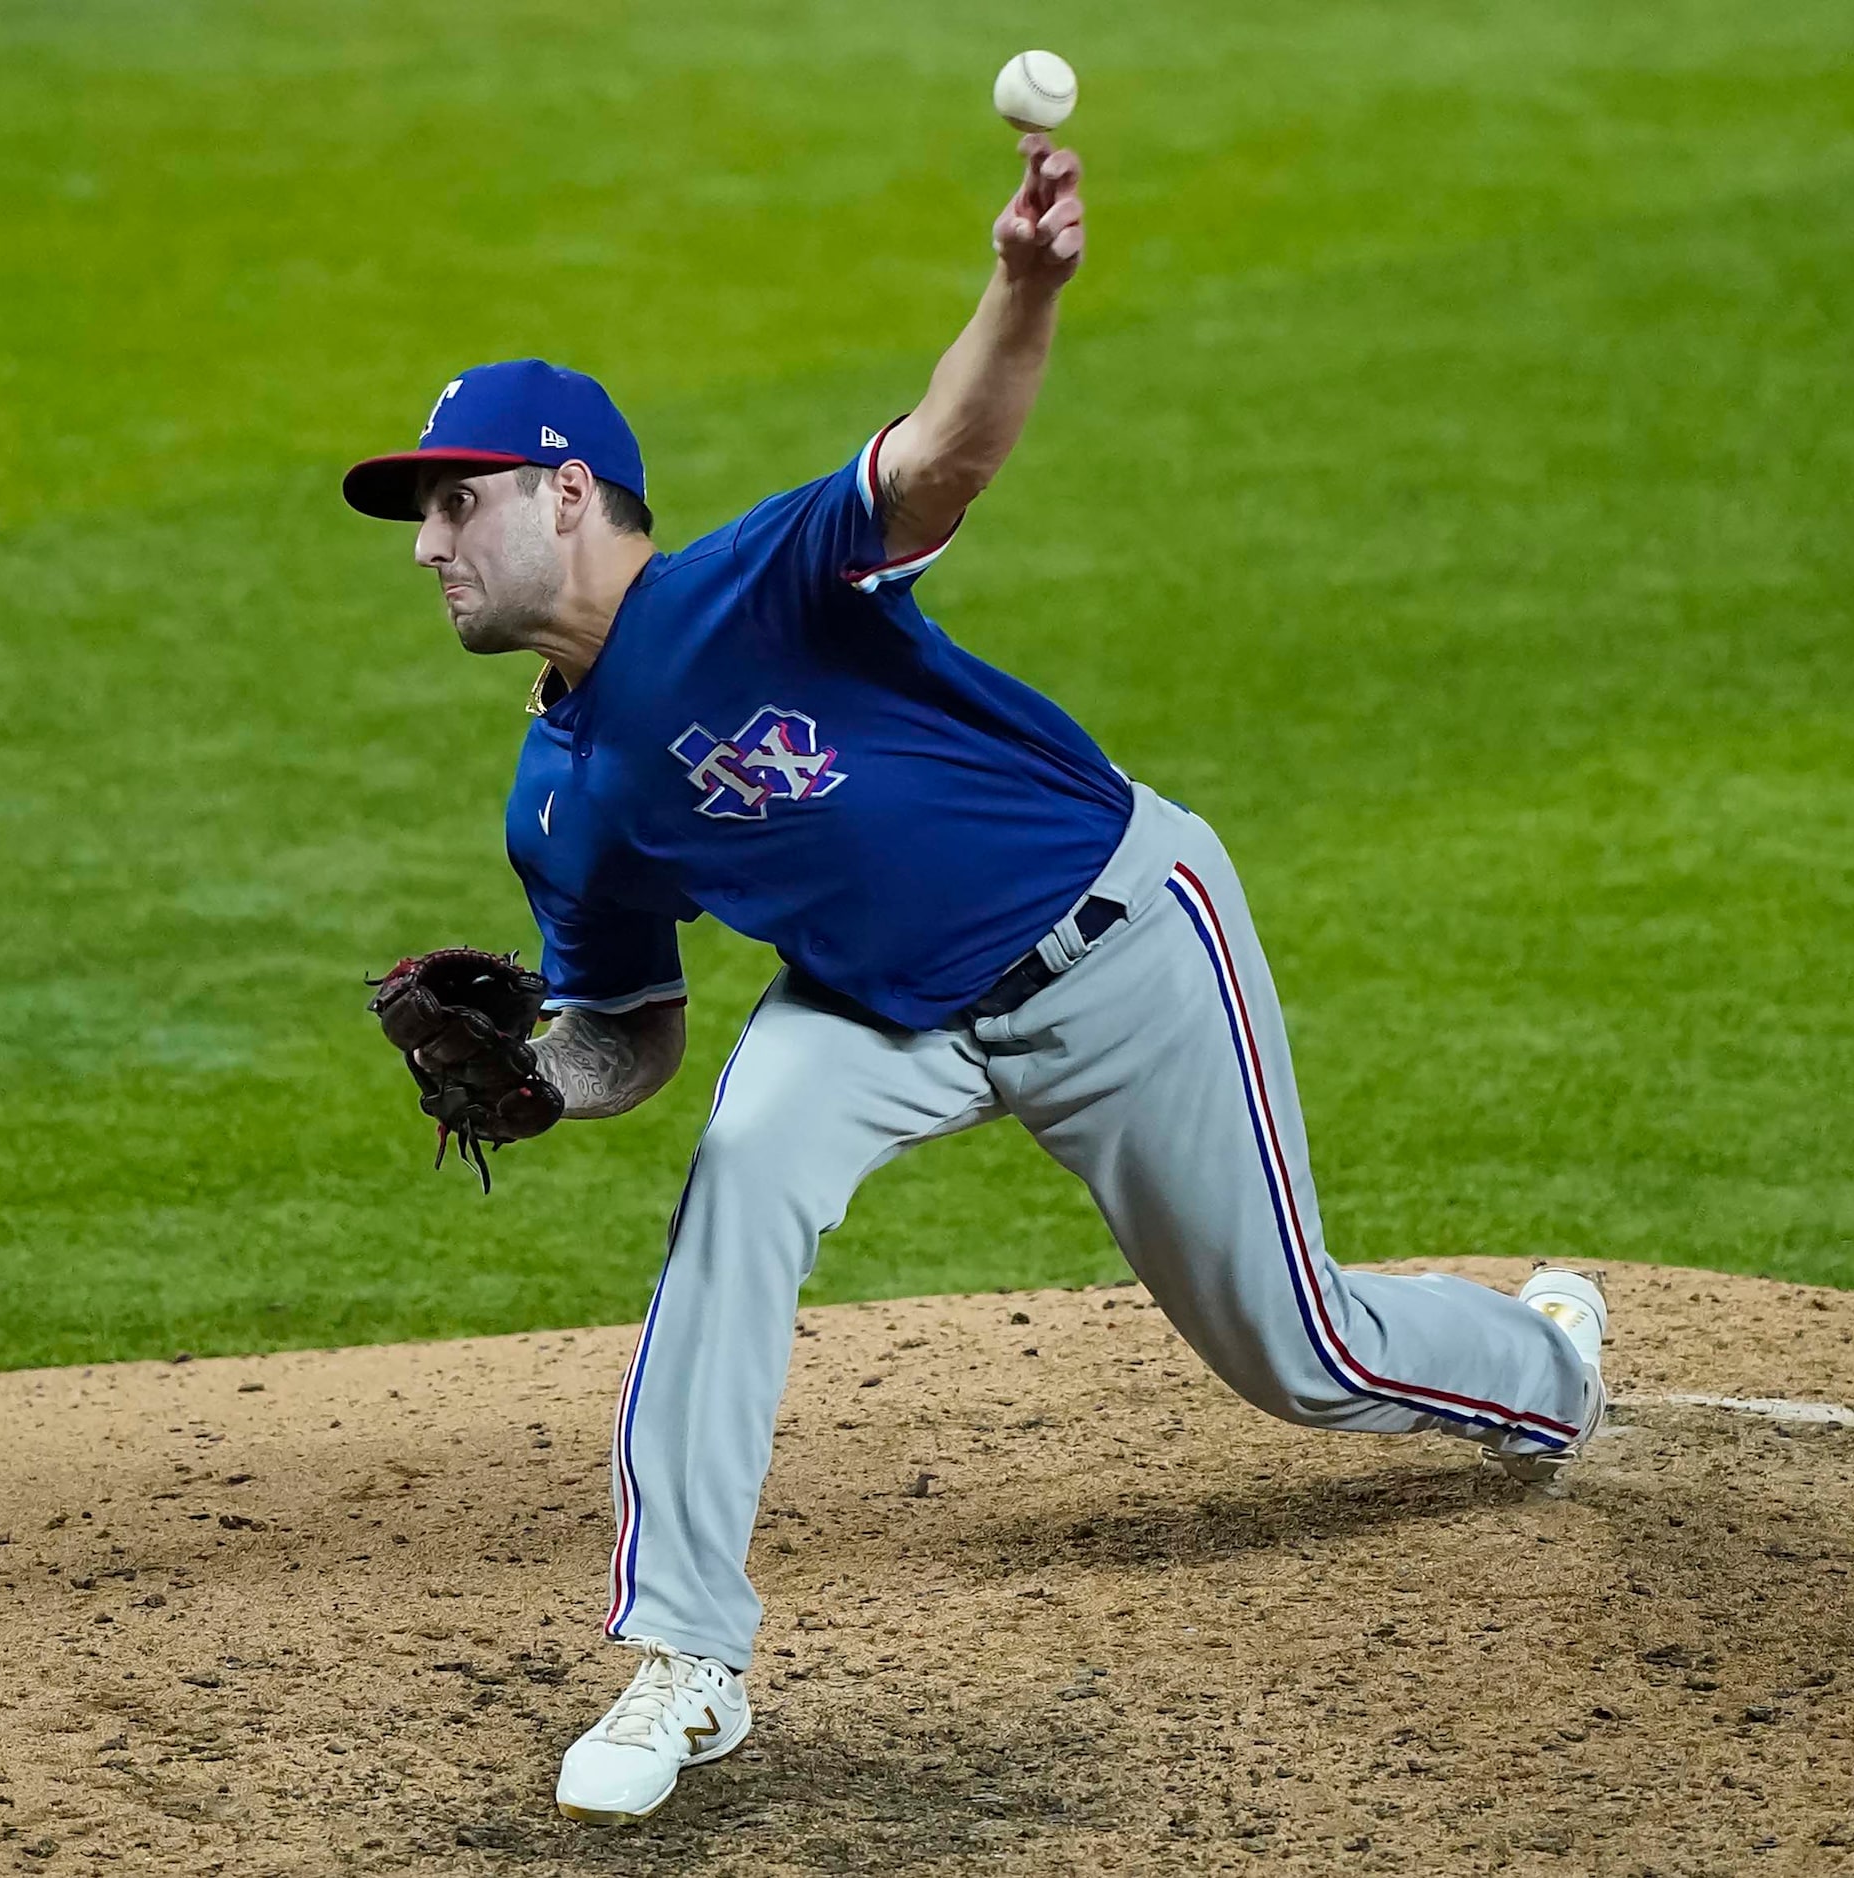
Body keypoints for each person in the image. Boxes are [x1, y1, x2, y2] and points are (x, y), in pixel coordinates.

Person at [340, 134, 1609, 1827]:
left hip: (1118, 937)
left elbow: (939, 459)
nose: (428, 542)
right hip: (880, 1013)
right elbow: (631, 1023)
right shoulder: (554, 800)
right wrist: (545, 1080)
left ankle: (1548, 1368)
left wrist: (1022, 284)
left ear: (570, 490)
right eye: (422, 512)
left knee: (1300, 1352)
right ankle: (686, 1659)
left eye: (457, 497)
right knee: (740, 1177)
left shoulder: (751, 583)